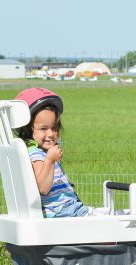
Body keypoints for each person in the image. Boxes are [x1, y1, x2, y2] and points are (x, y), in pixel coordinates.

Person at [14, 87, 91, 218]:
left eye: (54, 128)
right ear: (27, 130)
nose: (50, 134)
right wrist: (49, 161)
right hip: (62, 212)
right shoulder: (37, 155)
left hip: (67, 209)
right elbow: (43, 188)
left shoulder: (41, 153)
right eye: (43, 129)